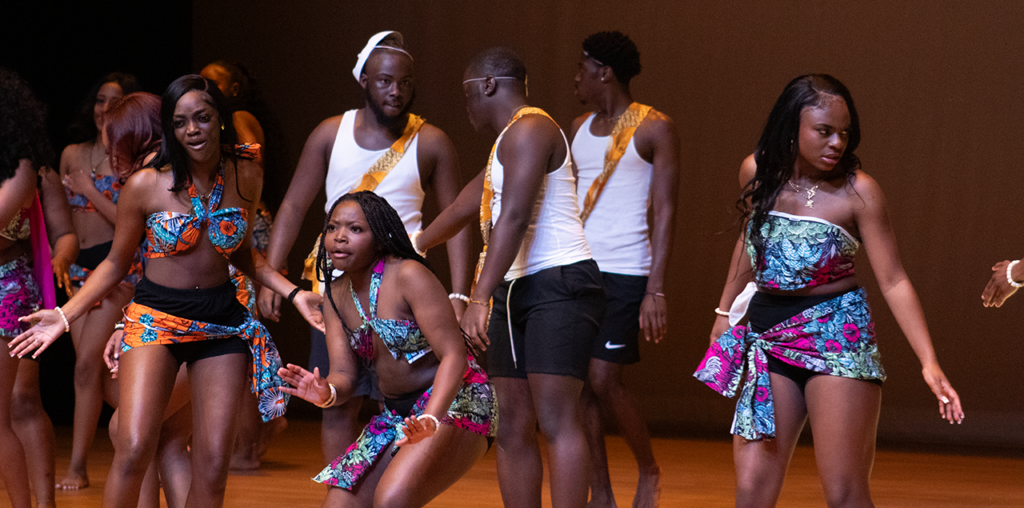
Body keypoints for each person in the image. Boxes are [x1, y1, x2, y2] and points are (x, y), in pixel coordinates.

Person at [12, 74, 322, 507]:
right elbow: (116, 265)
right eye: (180, 122)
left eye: (202, 117)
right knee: (135, 444)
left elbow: (240, 254)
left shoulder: (245, 174)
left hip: (222, 324)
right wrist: (65, 316)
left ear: (220, 121)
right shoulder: (147, 185)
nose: (192, 129)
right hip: (156, 318)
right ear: (171, 130)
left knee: (213, 466)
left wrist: (293, 293)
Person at [693, 74, 964, 507]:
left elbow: (893, 279)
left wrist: (928, 362)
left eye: (844, 133)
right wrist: (724, 313)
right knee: (751, 487)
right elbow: (749, 242)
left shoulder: (859, 192)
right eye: (824, 131)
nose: (837, 142)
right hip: (767, 334)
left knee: (844, 492)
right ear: (791, 126)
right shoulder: (757, 171)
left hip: (836, 335)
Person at [258, 30, 472, 467]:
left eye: (406, 82)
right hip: (337, 289)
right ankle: (347, 488)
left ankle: (390, 488)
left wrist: (461, 294)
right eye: (386, 81)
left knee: (396, 399)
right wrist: (274, 275)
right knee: (337, 400)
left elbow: (458, 221)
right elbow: (296, 204)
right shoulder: (329, 133)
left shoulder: (431, 141)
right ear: (364, 80)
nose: (397, 91)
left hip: (400, 291)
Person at [417, 47, 604, 508]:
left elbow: (515, 215)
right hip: (512, 287)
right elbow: (466, 203)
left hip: (558, 284)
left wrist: (478, 297)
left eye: (467, 94)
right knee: (513, 422)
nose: (466, 107)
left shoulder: (532, 129)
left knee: (557, 419)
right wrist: (415, 244)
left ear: (487, 85)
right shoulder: (508, 141)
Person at [277, 191, 496, 507]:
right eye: (333, 228)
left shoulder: (409, 274)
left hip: (456, 399)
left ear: (379, 239)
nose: (340, 237)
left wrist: (431, 419)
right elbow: (345, 374)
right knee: (339, 503)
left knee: (392, 499)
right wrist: (327, 393)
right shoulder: (335, 295)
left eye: (355, 229)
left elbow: (454, 355)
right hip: (396, 414)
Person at [569, 31, 680, 508]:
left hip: (627, 270)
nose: (576, 78)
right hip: (576, 269)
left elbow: (667, 210)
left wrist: (656, 289)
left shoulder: (656, 128)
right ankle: (603, 492)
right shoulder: (574, 127)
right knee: (579, 389)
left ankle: (649, 469)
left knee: (603, 380)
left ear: (604, 72)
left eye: (582, 69)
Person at [200, 59, 289, 470]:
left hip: (244, 229)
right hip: (233, 228)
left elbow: (252, 164)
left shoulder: (238, 118)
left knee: (242, 338)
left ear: (234, 88)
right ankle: (252, 434)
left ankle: (251, 442)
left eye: (214, 82)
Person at [57, 71, 142, 490]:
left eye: (115, 101)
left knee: (87, 364)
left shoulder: (128, 159)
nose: (104, 108)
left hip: (116, 269)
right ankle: (147, 432)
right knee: (96, 376)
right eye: (100, 99)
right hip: (78, 273)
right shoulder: (72, 153)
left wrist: (90, 190)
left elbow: (129, 223)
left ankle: (78, 466)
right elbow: (63, 220)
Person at [0, 67, 78, 508]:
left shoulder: (28, 168)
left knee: (21, 402)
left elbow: (65, 234)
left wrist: (59, 262)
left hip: (9, 290)